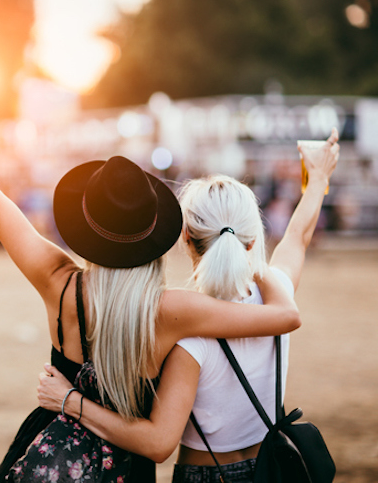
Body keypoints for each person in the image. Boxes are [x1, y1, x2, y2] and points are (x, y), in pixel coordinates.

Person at [0, 108, 300, 483]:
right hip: (125, 468)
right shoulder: (172, 310)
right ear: (155, 234)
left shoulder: (57, 280)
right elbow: (284, 316)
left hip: (49, 455)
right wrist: (249, 252)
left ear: (85, 226)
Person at [37, 130, 339, 483]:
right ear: (252, 239)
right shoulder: (276, 295)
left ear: (185, 237)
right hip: (271, 469)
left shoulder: (187, 334)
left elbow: (157, 442)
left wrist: (70, 400)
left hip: (207, 474)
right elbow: (298, 238)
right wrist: (318, 177)